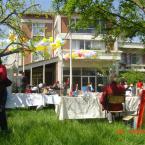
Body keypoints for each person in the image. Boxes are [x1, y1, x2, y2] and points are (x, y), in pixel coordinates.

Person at [0, 58, 11, 131]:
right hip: (2, 90)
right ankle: (4, 129)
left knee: (1, 110)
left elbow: (2, 78)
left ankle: (4, 129)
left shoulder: (2, 67)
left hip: (2, 90)